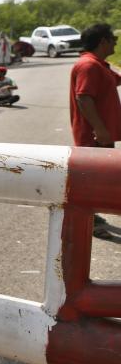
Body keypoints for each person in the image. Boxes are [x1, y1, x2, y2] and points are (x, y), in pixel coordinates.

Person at [69, 23, 120, 239]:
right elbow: (83, 97)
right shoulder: (88, 66)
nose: (116, 43)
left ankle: (94, 216)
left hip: (102, 135)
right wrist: (100, 129)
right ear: (103, 41)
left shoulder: (98, 65)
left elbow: (114, 80)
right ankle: (91, 220)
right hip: (95, 136)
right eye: (113, 39)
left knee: (101, 179)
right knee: (94, 179)